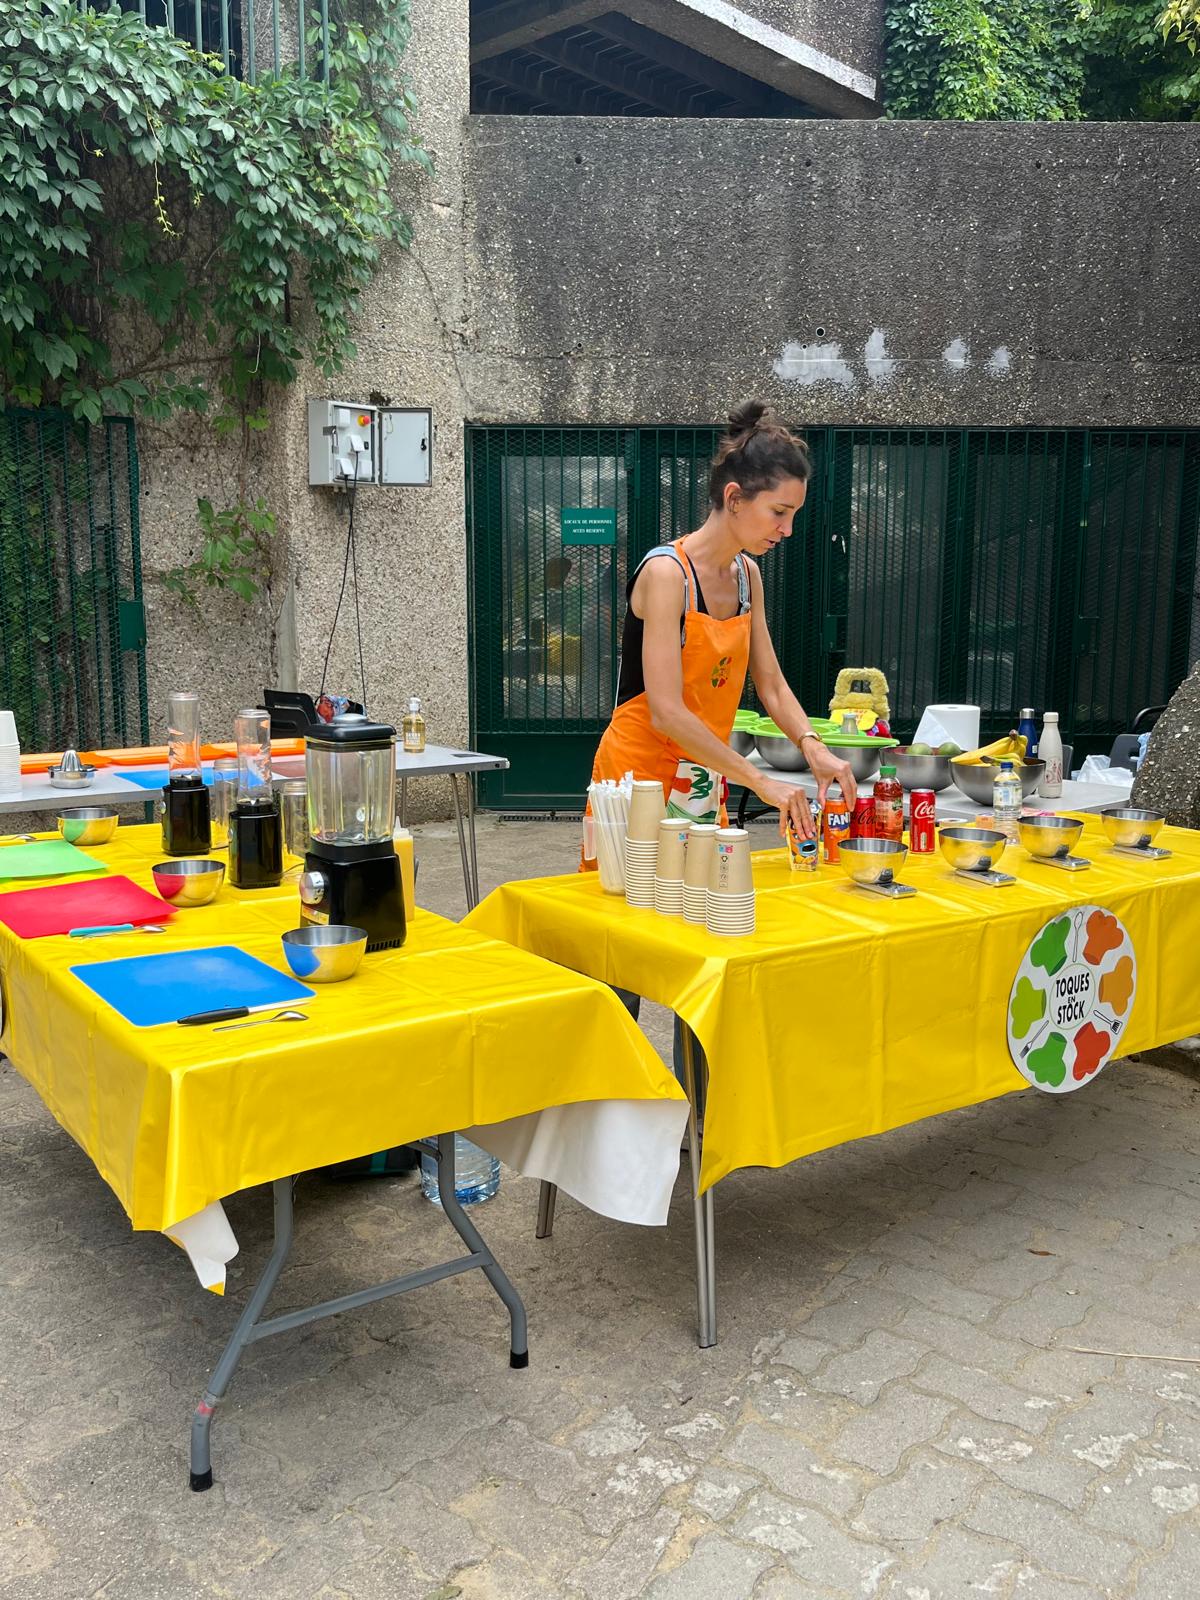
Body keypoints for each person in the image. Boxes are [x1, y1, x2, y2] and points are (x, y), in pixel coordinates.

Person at [590, 400, 856, 839]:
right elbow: (667, 713)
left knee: (706, 883)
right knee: (635, 884)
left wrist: (813, 747)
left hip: (703, 775)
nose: (787, 529)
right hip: (638, 777)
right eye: (779, 512)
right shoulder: (667, 574)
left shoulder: (748, 577)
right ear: (734, 498)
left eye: (794, 515)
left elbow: (771, 684)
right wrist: (761, 781)